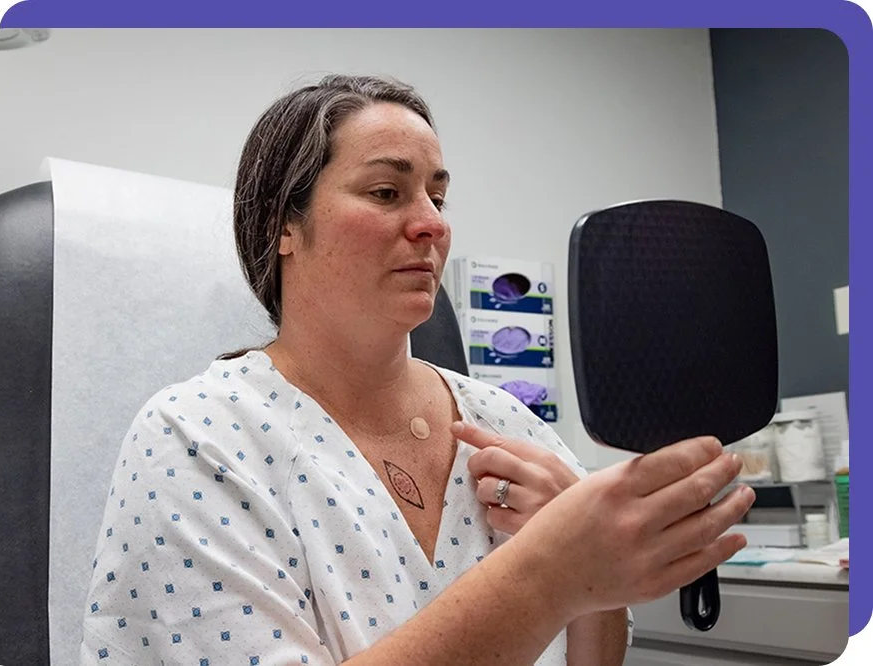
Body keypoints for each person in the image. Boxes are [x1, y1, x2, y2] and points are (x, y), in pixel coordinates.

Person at [79, 74, 754, 665]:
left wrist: (597, 589)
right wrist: (549, 572)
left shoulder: (508, 424)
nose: (431, 223)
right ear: (282, 227)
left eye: (438, 196)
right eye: (385, 192)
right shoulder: (197, 439)